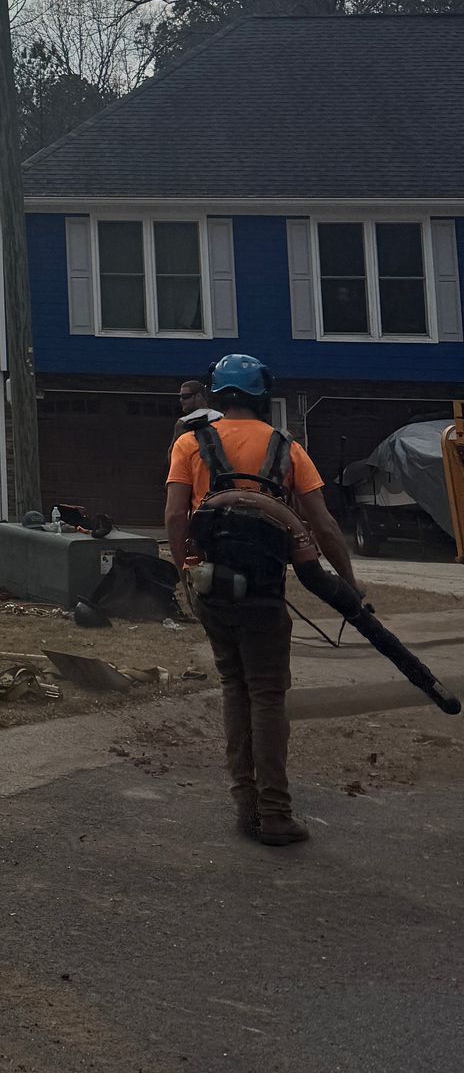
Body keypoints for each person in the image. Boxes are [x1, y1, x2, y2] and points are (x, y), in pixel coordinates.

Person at [164, 352, 360, 848]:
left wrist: (183, 569)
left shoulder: (190, 443)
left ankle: (245, 803)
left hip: (212, 588)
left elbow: (173, 516)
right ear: (260, 395)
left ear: (215, 394)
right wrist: (349, 583)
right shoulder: (287, 449)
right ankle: (274, 814)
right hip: (265, 593)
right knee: (268, 694)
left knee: (235, 687)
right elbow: (324, 524)